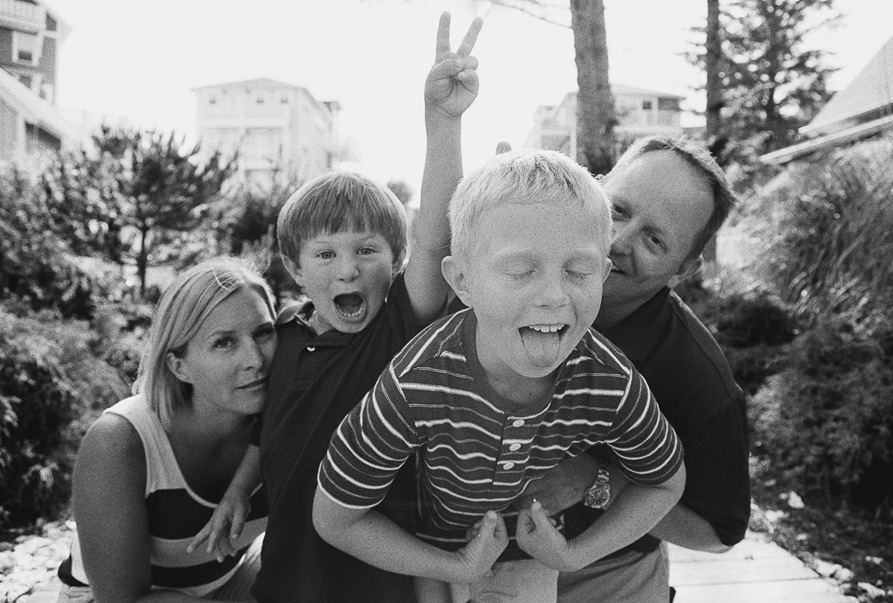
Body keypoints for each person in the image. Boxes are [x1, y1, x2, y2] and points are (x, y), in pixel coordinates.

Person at [312, 148, 687, 603]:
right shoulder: (415, 384)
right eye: (519, 270)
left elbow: (667, 480)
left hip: (531, 561)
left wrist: (573, 556)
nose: (553, 296)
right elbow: (335, 517)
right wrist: (453, 566)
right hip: (430, 555)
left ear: (603, 274)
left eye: (579, 270)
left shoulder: (611, 382)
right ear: (462, 281)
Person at [236, 13, 483, 603]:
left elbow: (436, 236)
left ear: (396, 262)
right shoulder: (281, 335)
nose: (346, 269)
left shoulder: (398, 326)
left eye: (367, 250)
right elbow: (264, 433)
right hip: (285, 584)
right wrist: (234, 495)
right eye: (324, 253)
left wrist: (442, 122)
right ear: (295, 269)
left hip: (382, 585)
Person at [523, 137, 751, 603]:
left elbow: (719, 533)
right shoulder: (512, 273)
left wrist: (600, 482)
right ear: (595, 189)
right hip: (464, 562)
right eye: (618, 210)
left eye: (655, 239)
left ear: (685, 267)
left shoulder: (696, 378)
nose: (617, 242)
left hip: (606, 579)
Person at [56, 257, 276, 602]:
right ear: (179, 365)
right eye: (224, 342)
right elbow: (122, 600)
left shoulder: (285, 421)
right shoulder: (121, 441)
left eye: (263, 333)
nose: (255, 359)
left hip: (225, 588)